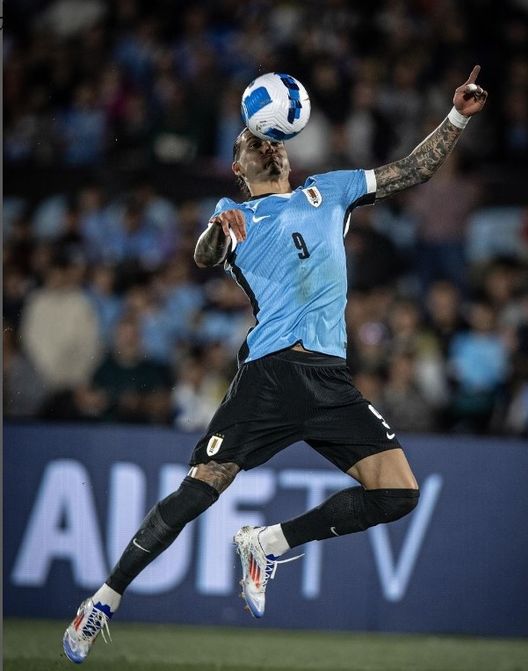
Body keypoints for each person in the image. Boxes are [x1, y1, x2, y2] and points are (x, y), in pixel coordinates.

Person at [62, 67, 488, 664]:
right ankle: (102, 601)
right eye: (247, 140)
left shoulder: (331, 190)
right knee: (201, 489)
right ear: (239, 166)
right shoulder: (234, 214)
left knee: (398, 494)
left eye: (266, 138)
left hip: (330, 379)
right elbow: (205, 255)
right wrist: (218, 229)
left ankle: (268, 542)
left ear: (284, 148)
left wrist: (458, 116)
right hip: (270, 374)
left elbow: (411, 171)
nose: (260, 144)